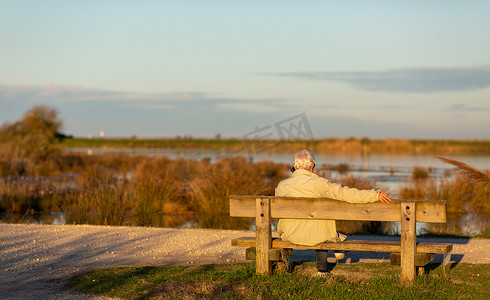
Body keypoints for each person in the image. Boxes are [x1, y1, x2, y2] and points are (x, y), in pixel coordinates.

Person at [275, 150, 392, 277]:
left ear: (294, 165)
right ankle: (322, 269)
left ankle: (337, 246)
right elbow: (345, 194)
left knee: (317, 224)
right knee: (321, 227)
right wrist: (374, 195)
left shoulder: (281, 186)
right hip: (317, 237)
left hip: (289, 235)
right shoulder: (319, 184)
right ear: (312, 165)